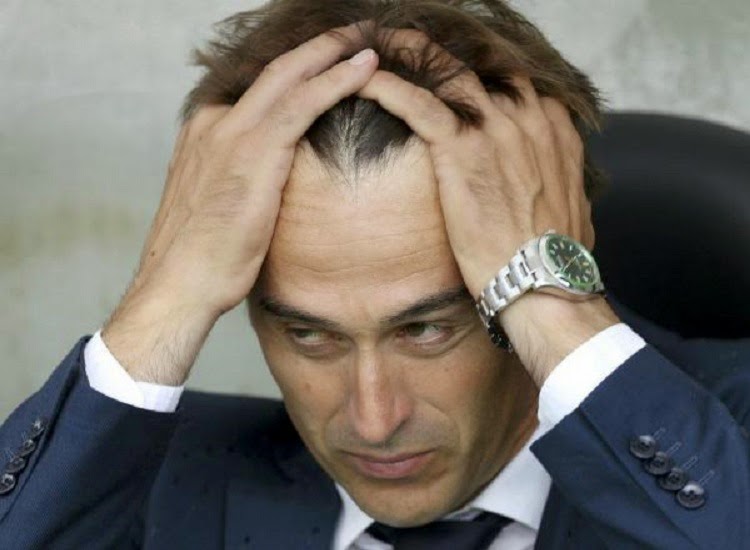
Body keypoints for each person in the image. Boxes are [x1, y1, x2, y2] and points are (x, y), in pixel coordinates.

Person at [1, 0, 749, 548]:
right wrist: (164, 298)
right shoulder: (151, 472)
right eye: (308, 334)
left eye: (427, 328)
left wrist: (552, 297)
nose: (372, 420)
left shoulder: (726, 446)